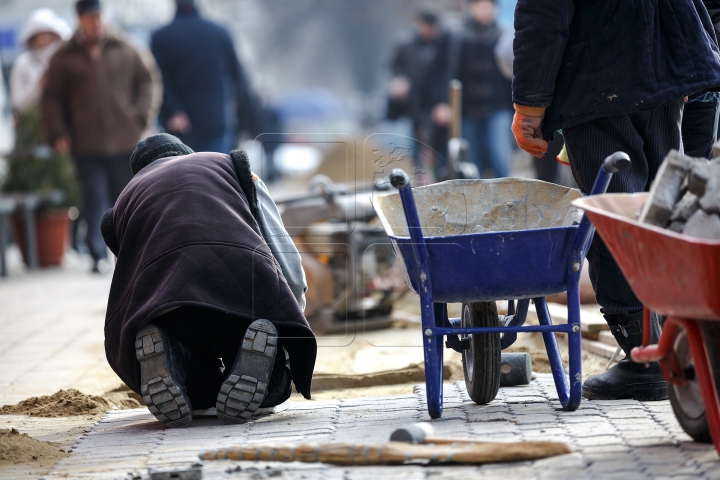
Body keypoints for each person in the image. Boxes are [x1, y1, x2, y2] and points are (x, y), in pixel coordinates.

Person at [512, 0, 720, 400]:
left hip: (595, 75)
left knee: (614, 214)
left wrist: (530, 106)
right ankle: (671, 340)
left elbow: (544, 13)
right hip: (667, 66)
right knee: (659, 207)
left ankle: (646, 359)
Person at [100, 134, 315, 427]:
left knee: (198, 390)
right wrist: (289, 317)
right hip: (242, 290)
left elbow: (130, 285)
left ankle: (172, 352)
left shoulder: (126, 201)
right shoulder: (230, 166)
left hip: (168, 308)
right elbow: (283, 252)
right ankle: (256, 365)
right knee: (273, 379)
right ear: (187, 154)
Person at [41, 0, 158, 273]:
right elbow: (52, 99)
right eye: (91, 18)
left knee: (127, 198)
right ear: (80, 19)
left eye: (100, 17)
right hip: (86, 143)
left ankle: (132, 253)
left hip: (125, 140)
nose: (97, 23)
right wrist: (58, 132)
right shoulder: (63, 57)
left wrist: (140, 115)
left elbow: (149, 80)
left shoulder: (127, 48)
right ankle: (97, 254)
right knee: (95, 199)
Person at [151, 0, 254, 154]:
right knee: (217, 173)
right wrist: (235, 103)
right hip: (216, 119)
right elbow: (237, 74)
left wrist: (173, 111)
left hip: (180, 125)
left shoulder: (160, 36)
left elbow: (158, 79)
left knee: (182, 175)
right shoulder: (220, 32)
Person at [432, 0, 513, 179]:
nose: (486, 9)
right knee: (470, 163)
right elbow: (439, 72)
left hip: (497, 107)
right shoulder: (455, 36)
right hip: (464, 110)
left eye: (490, 5)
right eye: (481, 5)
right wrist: (441, 103)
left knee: (500, 157)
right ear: (471, 7)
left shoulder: (503, 36)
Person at [387, 10, 448, 171]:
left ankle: (437, 173)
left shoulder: (442, 44)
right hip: (412, 102)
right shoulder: (405, 44)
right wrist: (399, 81)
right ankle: (419, 174)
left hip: (435, 101)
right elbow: (394, 68)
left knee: (437, 143)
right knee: (416, 141)